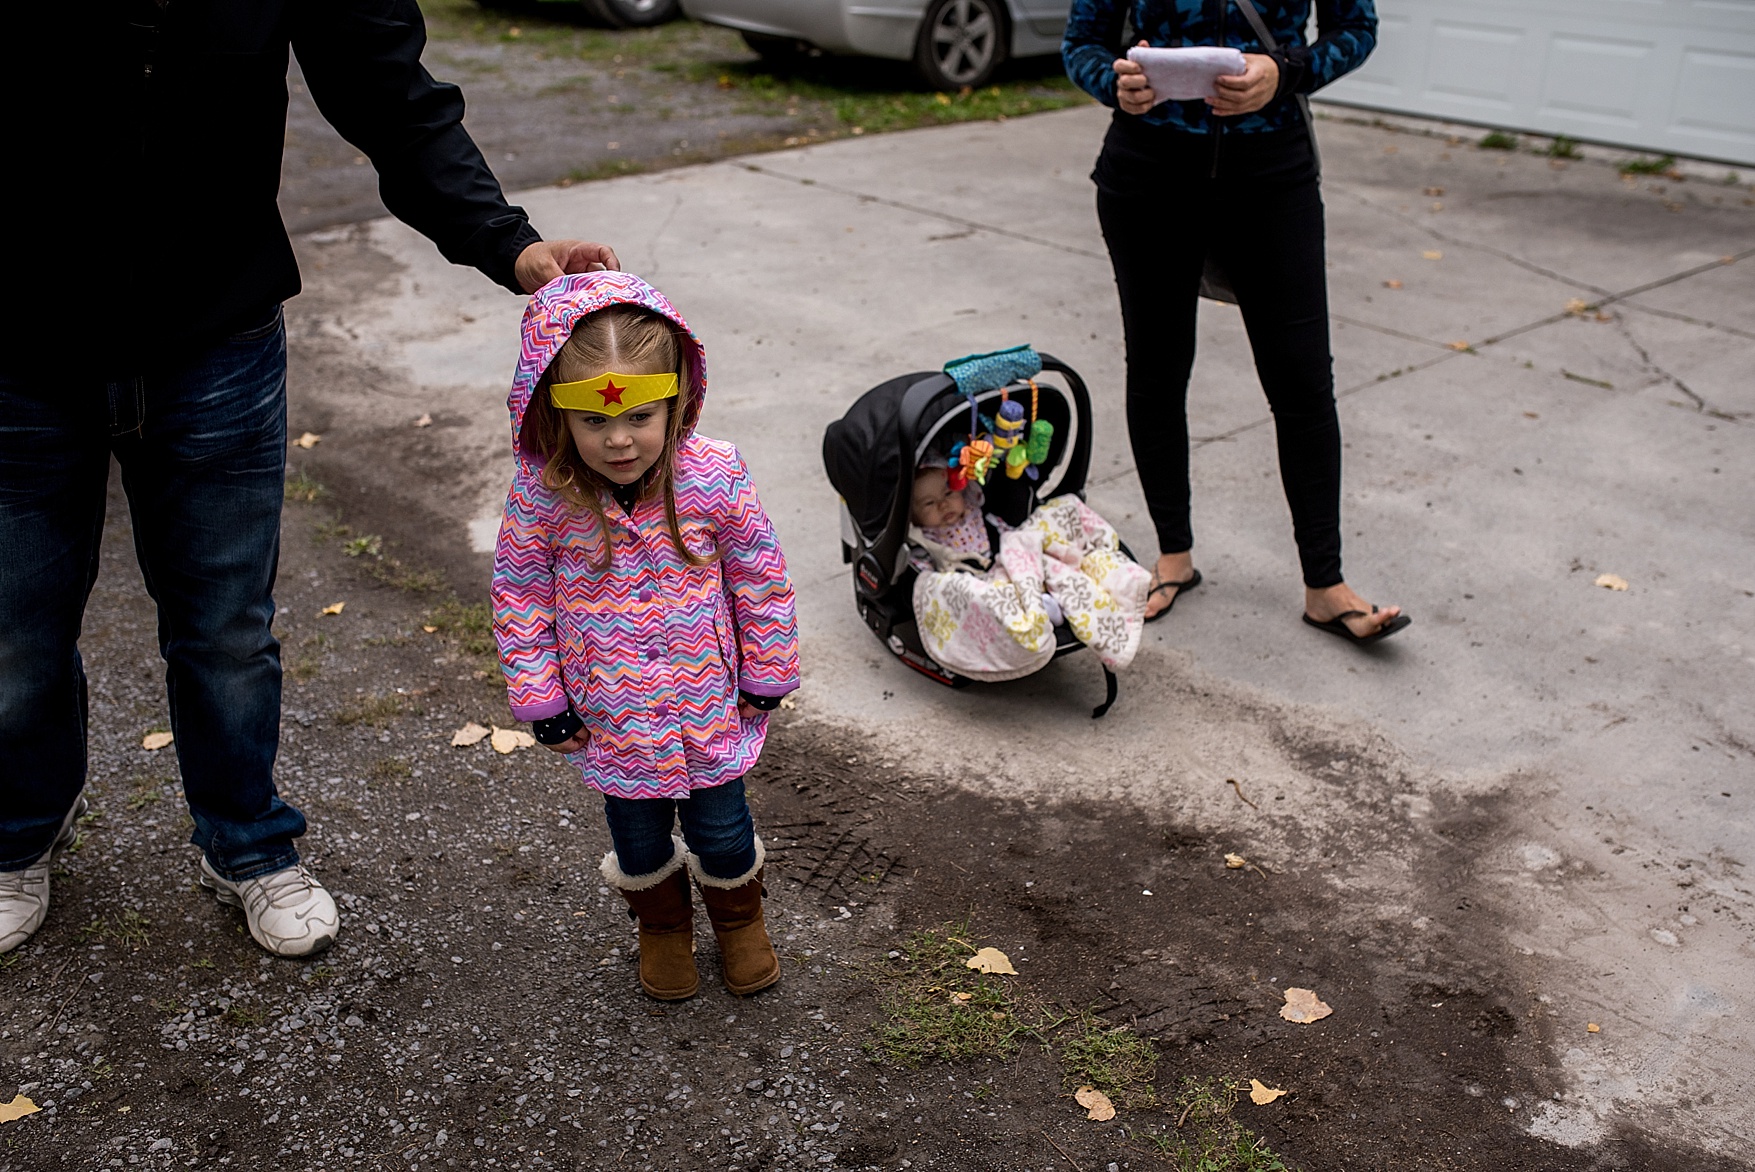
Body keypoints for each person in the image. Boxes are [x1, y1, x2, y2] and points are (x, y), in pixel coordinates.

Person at [0, 0, 619, 959]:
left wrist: (507, 240)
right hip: (20, 349)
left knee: (226, 628)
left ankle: (246, 842)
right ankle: (17, 834)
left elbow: (392, 97)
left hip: (216, 339)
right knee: (14, 631)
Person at [492, 272, 800, 1000]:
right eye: (594, 421)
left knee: (722, 831)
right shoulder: (545, 496)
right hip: (615, 718)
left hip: (711, 707)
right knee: (637, 837)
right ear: (555, 413)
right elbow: (520, 596)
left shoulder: (713, 474)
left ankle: (738, 921)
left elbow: (759, 575)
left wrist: (766, 669)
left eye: (638, 416)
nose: (619, 439)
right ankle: (661, 928)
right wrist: (542, 701)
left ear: (675, 399)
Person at [1063, 0, 1410, 643]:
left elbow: (1356, 28)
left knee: (1302, 383)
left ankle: (1325, 586)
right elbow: (1080, 42)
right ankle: (1174, 557)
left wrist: (1286, 70)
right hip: (1148, 178)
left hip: (1271, 179)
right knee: (1158, 370)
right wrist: (1114, 85)